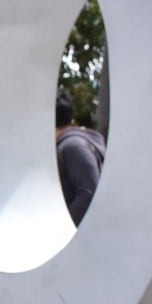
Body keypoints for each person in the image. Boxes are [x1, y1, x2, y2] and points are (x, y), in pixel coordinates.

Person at [55, 88, 107, 226]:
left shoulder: (73, 146)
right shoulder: (72, 143)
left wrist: (63, 231)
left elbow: (88, 192)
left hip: (82, 238)